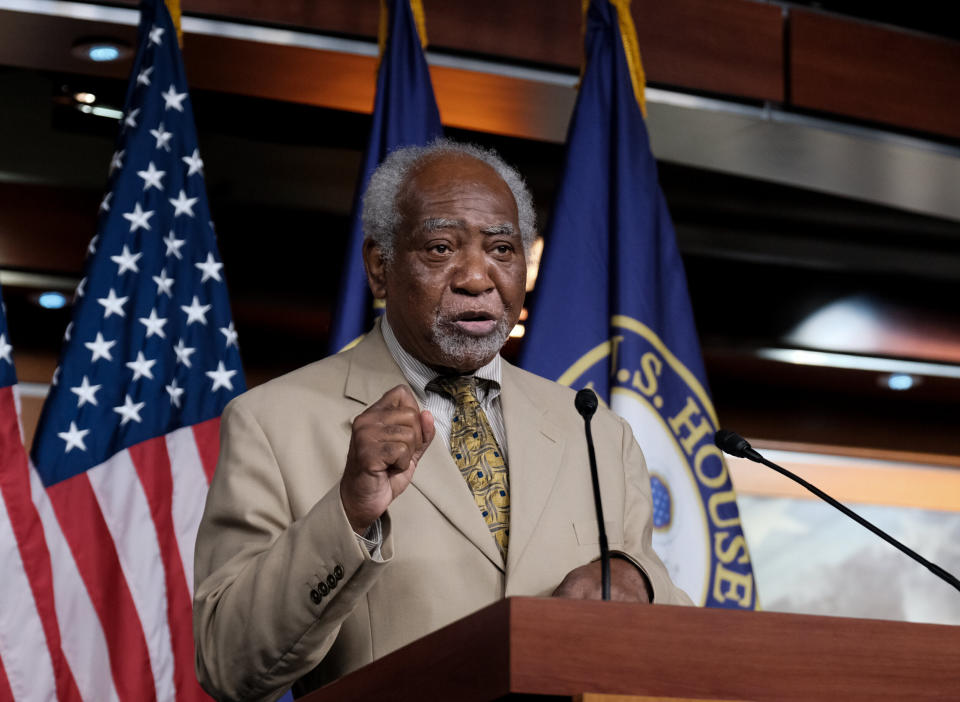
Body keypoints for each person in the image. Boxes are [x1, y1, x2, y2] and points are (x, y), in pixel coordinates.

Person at [193, 139, 692, 702]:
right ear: (379, 268)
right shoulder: (273, 422)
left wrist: (637, 580)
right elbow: (226, 662)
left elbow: (670, 629)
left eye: (502, 249)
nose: (477, 279)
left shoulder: (594, 429)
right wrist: (350, 514)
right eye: (440, 248)